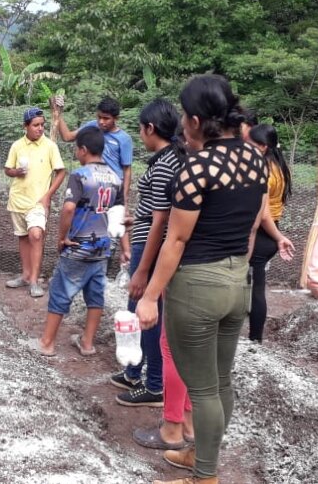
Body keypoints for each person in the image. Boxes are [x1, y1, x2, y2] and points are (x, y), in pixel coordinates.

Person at [136, 75, 269, 484]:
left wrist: (148, 296)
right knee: (221, 380)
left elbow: (175, 239)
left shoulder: (198, 167)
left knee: (204, 389)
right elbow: (251, 226)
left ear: (194, 120)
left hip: (197, 286)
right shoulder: (255, 159)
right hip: (236, 281)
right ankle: (199, 456)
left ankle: (205, 477)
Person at [111, 99, 185, 409]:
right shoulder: (167, 159)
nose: (140, 135)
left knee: (146, 313)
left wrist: (142, 270)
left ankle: (153, 384)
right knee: (136, 310)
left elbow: (162, 220)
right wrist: (134, 218)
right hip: (146, 241)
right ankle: (133, 371)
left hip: (151, 249)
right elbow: (154, 211)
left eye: (141, 129)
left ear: (150, 128)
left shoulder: (167, 163)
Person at [29, 127, 122, 356]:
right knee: (95, 294)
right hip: (103, 245)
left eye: (76, 149)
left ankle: (47, 343)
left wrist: (63, 236)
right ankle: (87, 343)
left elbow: (69, 208)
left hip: (79, 244)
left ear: (83, 149)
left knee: (61, 291)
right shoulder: (115, 178)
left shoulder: (80, 175)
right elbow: (119, 213)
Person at [52, 95, 134, 262]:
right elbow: (67, 136)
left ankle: (124, 258)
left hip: (112, 188)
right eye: (99, 117)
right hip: (91, 187)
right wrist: (58, 114)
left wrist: (124, 200)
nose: (101, 122)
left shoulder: (124, 139)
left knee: (116, 224)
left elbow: (127, 170)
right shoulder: (92, 126)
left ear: (116, 118)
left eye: (106, 119)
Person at [3, 107, 66, 298]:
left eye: (42, 125)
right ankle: (25, 275)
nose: (40, 129)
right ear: (26, 126)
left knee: (36, 235)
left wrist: (48, 196)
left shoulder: (50, 146)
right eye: (36, 125)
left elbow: (61, 172)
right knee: (23, 236)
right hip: (18, 199)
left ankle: (34, 280)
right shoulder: (16, 146)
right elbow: (8, 169)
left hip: (38, 201)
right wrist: (15, 172)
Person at [244, 124, 295, 343]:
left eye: (251, 145)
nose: (246, 149)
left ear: (264, 147)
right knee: (251, 283)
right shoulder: (280, 166)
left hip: (265, 233)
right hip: (272, 229)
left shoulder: (264, 169)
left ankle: (255, 340)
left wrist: (278, 237)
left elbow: (263, 214)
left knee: (254, 287)